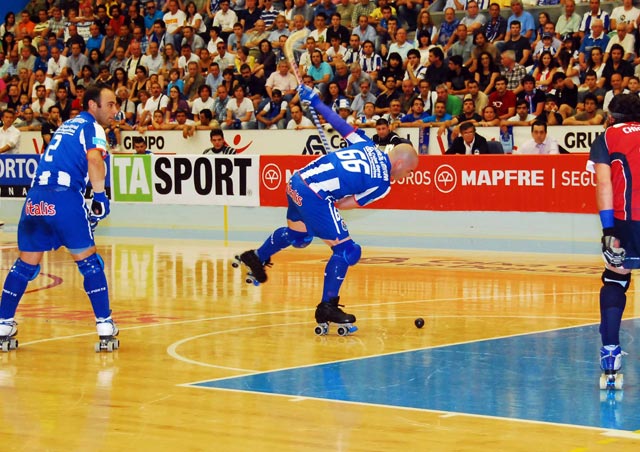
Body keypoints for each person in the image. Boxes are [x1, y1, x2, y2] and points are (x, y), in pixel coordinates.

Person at [234, 84, 419, 335]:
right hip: (315, 195)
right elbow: (344, 204)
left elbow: (339, 123)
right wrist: (332, 199)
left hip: (296, 182)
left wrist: (316, 101)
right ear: (399, 164)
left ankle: (256, 257)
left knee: (299, 236)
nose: (407, 177)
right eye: (409, 172)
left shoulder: (366, 144)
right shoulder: (382, 184)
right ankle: (327, 307)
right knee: (348, 251)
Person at [0, 86, 119, 351]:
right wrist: (100, 197)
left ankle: (3, 324)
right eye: (110, 104)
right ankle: (104, 325)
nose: (116, 110)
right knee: (89, 263)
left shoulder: (66, 126)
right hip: (64, 197)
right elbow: (94, 159)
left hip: (35, 199)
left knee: (25, 266)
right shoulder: (92, 127)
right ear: (93, 105)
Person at [587, 93, 640, 388]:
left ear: (611, 117)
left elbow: (604, 183)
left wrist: (608, 231)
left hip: (626, 221)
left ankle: (610, 354)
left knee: (616, 280)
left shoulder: (607, 138)